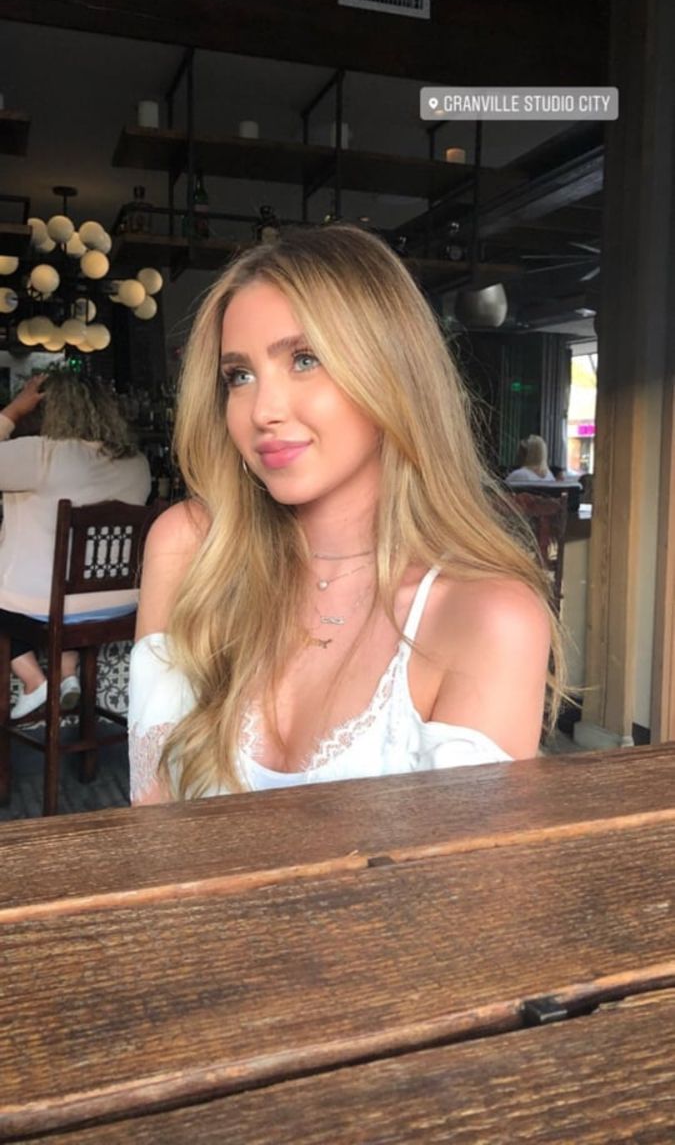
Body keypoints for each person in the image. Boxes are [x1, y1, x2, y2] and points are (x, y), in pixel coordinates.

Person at [129, 225, 564, 805]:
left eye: (305, 359)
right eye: (240, 375)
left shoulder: (487, 618)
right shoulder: (189, 549)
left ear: (391, 370)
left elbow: (467, 887)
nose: (264, 410)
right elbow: (152, 818)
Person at [0, 368, 151, 719]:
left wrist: (13, 411)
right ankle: (67, 676)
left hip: (47, 605)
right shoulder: (136, 463)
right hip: (120, 604)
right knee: (56, 584)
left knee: (16, 598)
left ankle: (35, 681)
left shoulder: (41, 455)